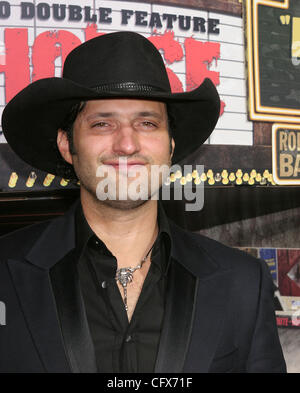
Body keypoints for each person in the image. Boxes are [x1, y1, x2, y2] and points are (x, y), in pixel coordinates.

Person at [0, 31, 286, 373]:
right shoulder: (4, 270)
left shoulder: (243, 282)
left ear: (170, 145)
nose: (127, 144)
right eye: (102, 123)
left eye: (147, 123)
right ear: (67, 144)